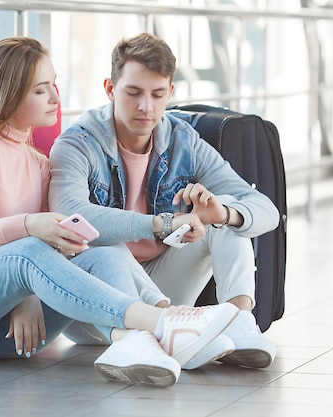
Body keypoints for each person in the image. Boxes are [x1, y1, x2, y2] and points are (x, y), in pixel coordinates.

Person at [0, 36, 240, 388]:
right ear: (10, 92)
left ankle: (136, 343)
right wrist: (30, 227)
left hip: (4, 331)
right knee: (31, 248)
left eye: (54, 86)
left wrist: (26, 293)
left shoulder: (40, 164)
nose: (55, 98)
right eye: (40, 90)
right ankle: (164, 323)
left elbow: (47, 252)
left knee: (102, 250)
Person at [49, 33, 280, 370]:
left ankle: (240, 323)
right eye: (133, 93)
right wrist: (162, 224)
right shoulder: (78, 143)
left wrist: (223, 213)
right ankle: (173, 332)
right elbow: (72, 216)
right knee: (98, 237)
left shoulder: (182, 140)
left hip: (164, 295)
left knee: (226, 211)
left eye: (158, 94)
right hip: (97, 306)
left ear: (170, 92)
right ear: (110, 89)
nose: (146, 106)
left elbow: (265, 208)